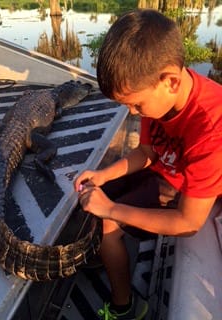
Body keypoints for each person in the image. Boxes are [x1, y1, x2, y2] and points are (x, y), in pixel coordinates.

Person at [74, 8, 222, 320]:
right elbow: (146, 153)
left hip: (191, 194)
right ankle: (107, 254)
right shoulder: (159, 99)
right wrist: (102, 176)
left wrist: (111, 210)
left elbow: (188, 222)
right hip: (165, 171)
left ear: (169, 80)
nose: (132, 113)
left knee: (109, 223)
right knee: (90, 193)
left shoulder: (210, 127)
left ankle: (125, 307)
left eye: (135, 104)